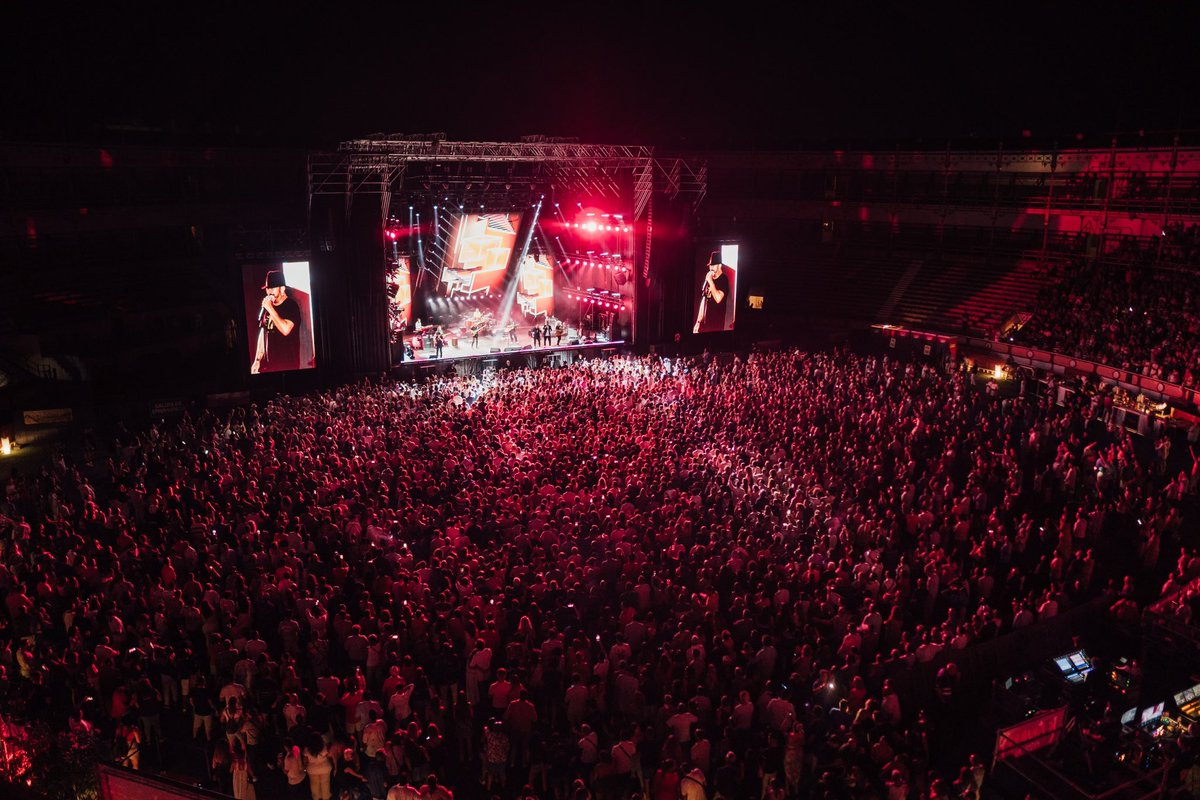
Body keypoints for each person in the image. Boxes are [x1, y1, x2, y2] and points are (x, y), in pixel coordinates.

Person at [251, 270, 302, 374]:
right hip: (270, 366)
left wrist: (270, 309)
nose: (269, 292)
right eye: (267, 288)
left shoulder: (291, 306)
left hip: (288, 365)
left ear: (282, 288)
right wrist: (257, 360)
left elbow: (285, 330)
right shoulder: (268, 306)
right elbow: (263, 333)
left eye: (272, 288)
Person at [693, 255, 730, 333]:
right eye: (710, 265)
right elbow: (704, 300)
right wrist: (698, 322)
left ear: (720, 265)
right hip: (705, 324)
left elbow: (718, 299)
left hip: (716, 325)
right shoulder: (710, 279)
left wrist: (710, 280)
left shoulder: (723, 279)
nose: (711, 267)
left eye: (713, 265)